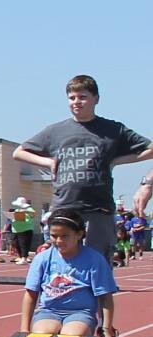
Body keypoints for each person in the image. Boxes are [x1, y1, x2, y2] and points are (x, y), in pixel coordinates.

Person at [18, 76, 153, 262]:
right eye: (72, 98)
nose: (76, 102)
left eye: (82, 97)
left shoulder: (113, 129)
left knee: (97, 265)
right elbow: (19, 152)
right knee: (63, 266)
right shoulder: (55, 131)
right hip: (64, 206)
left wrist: (117, 160)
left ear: (95, 98)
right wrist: (48, 162)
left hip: (98, 209)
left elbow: (150, 149)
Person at [19, 212, 119, 337]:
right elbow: (31, 294)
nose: (58, 241)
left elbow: (105, 297)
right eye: (54, 236)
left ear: (79, 235)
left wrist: (106, 330)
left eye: (64, 236)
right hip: (49, 311)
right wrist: (24, 330)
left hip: (80, 313)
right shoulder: (42, 258)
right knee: (42, 336)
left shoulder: (94, 259)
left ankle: (84, 328)